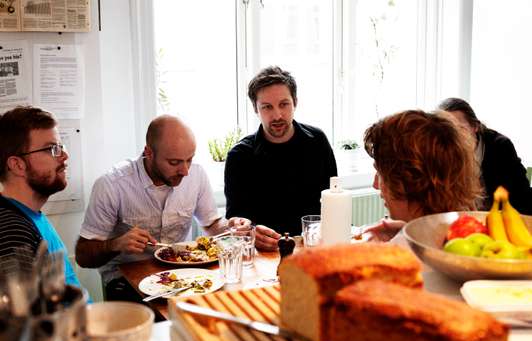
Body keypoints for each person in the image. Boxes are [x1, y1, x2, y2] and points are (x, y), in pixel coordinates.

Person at [75, 115, 251, 301]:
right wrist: (115, 244)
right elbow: (83, 256)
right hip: (125, 280)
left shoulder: (196, 175)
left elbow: (212, 225)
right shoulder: (112, 184)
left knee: (230, 302)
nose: (185, 171)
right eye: (174, 163)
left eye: (189, 159)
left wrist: (231, 228)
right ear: (149, 153)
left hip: (183, 274)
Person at [224, 66, 337, 250]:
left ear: (295, 103)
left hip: (312, 248)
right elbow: (236, 220)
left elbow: (332, 198)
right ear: (255, 109)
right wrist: (250, 231)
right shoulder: (239, 156)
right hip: (263, 253)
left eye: (284, 104)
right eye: (267, 107)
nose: (277, 115)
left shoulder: (317, 141)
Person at [361, 109, 483, 242]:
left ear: (406, 180)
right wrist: (407, 231)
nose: (375, 185)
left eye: (380, 174)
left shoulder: (401, 256)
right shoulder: (467, 235)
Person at [0, 106, 82, 288]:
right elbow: (26, 315)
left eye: (60, 147)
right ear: (17, 165)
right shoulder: (12, 231)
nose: (64, 156)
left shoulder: (29, 215)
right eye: (51, 149)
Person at [438, 97, 532, 215]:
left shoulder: (500, 147)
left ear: (474, 127)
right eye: (447, 131)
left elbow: (522, 196)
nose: (453, 137)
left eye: (460, 129)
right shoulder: (439, 149)